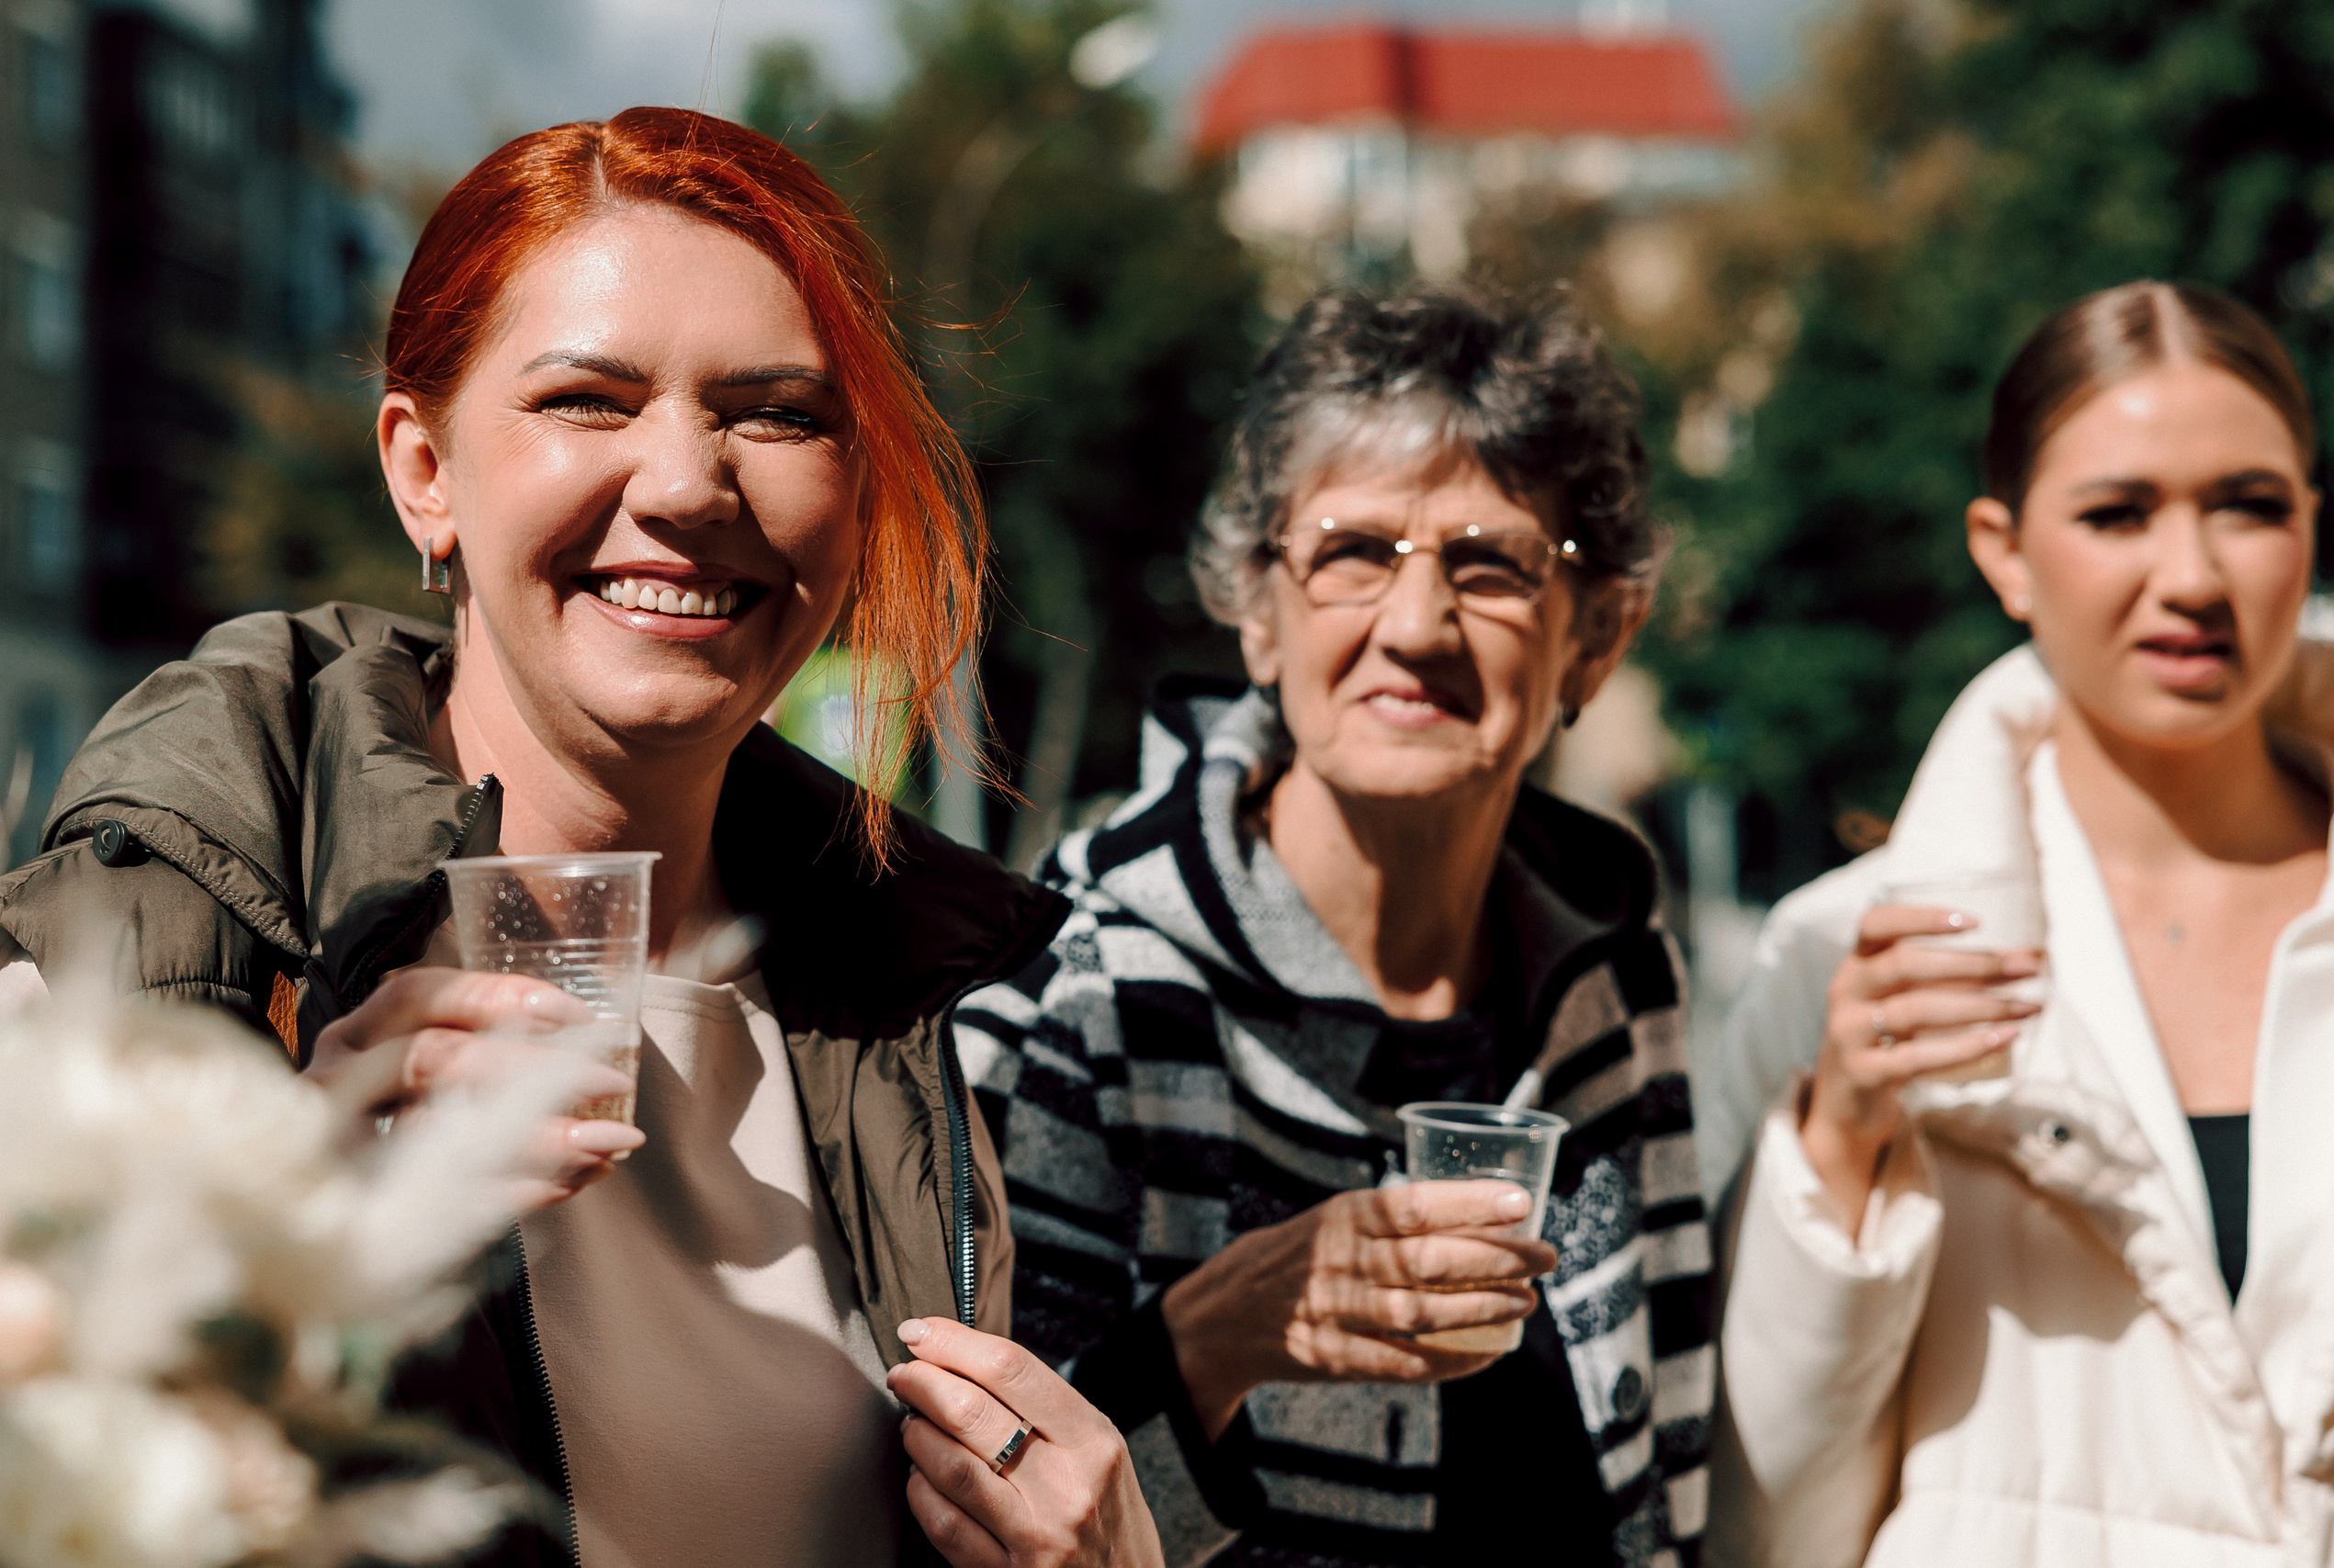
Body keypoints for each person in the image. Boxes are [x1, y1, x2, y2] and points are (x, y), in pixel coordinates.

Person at [0, 108, 1161, 1568]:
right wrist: (276, 1238)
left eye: (777, 412)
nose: (686, 483)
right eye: (590, 401)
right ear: (425, 470)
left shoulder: (893, 1008)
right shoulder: (152, 969)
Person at [956, 288, 1713, 1568]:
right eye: (1354, 553)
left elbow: (1669, 1464)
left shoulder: (1615, 976)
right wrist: (1215, 1341)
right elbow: (982, 1511)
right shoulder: (1077, 984)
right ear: (1259, 608)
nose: (1414, 629)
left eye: (1490, 564)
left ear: (1598, 639)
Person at [1707, 280, 2334, 1565]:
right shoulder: (1848, 958)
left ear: (2313, 527)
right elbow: (1766, 1530)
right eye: (2118, 513)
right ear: (2002, 552)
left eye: (2250, 505)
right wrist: (1839, 1143)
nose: (2194, 575)